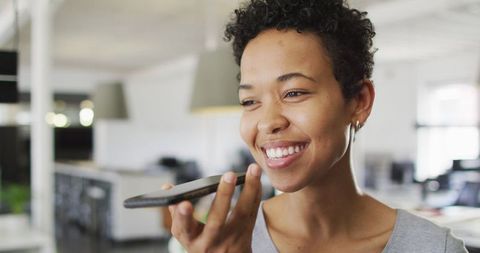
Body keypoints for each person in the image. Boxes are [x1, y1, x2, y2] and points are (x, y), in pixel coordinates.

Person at [163, 0, 468, 252]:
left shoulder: (434, 247)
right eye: (249, 101)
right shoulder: (216, 242)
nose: (268, 122)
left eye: (294, 93)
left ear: (359, 100)